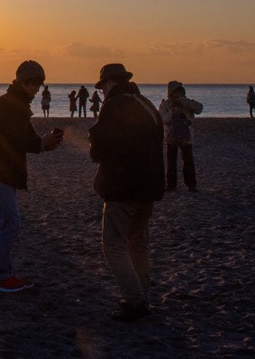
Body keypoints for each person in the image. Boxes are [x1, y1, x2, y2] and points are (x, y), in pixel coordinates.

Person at [0, 60, 63, 293]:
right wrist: (41, 143)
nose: (35, 88)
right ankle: (0, 277)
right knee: (11, 224)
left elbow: (22, 137)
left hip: (0, 171)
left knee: (4, 223)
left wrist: (43, 143)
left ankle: (4, 273)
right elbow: (12, 140)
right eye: (31, 83)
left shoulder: (15, 104)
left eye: (39, 83)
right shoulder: (9, 105)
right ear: (21, 82)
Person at [89, 63, 164, 322]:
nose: (102, 92)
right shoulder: (146, 104)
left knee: (113, 244)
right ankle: (141, 295)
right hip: (149, 187)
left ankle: (135, 301)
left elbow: (98, 149)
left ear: (109, 83)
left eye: (102, 87)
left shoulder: (113, 106)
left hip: (123, 187)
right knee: (138, 243)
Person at [158, 81, 203, 192]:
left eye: (179, 92)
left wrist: (186, 103)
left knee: (188, 161)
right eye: (175, 92)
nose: (177, 95)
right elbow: (162, 119)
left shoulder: (187, 102)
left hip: (186, 137)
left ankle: (191, 185)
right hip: (171, 137)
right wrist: (172, 113)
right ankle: (171, 185)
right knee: (171, 162)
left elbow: (199, 109)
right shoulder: (166, 104)